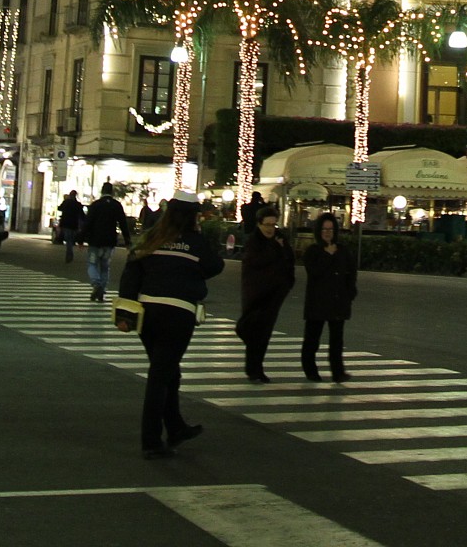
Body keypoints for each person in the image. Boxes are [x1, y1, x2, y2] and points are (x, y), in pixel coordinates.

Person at [117, 189, 224, 458]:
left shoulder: (153, 237)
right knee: (160, 377)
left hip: (148, 314)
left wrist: (125, 314)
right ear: (192, 217)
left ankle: (176, 427)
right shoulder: (195, 242)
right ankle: (151, 440)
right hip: (178, 315)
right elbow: (216, 266)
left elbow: (131, 271)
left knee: (167, 372)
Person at [236, 207, 294, 382]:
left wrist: (288, 283)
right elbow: (256, 261)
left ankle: (256, 369)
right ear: (259, 224)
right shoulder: (254, 241)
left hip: (275, 293)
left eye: (273, 224)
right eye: (267, 224)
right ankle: (253, 368)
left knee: (264, 332)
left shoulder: (280, 238)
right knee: (253, 329)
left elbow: (289, 259)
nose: (270, 228)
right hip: (256, 292)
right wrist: (275, 248)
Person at [300, 212, 359, 381]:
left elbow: (351, 272)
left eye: (331, 229)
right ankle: (310, 370)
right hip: (317, 302)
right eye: (324, 229)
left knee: (336, 340)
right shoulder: (313, 251)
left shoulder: (343, 250)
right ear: (319, 231)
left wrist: (350, 292)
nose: (327, 232)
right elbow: (314, 272)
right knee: (312, 339)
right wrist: (328, 254)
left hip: (338, 300)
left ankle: (338, 371)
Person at [82, 182, 129, 303]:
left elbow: (88, 223)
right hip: (109, 242)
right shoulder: (116, 205)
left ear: (102, 191)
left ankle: (96, 285)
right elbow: (123, 224)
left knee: (92, 264)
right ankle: (101, 290)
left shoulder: (95, 205)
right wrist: (128, 241)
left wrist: (80, 238)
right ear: (112, 192)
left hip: (95, 241)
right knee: (105, 267)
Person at [55, 190, 86, 263]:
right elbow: (82, 215)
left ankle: (69, 254)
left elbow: (59, 208)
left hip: (66, 224)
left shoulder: (66, 202)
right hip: (74, 224)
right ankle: (70, 253)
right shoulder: (78, 204)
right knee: (71, 239)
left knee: (68, 239)